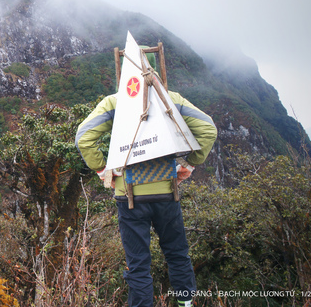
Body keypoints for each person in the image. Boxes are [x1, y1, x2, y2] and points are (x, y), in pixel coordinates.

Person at [75, 62, 217, 307]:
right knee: (177, 254)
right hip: (166, 192)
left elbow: (83, 137)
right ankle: (186, 303)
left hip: (129, 196)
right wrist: (189, 165)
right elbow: (207, 128)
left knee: (139, 263)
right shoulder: (169, 98)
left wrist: (103, 169)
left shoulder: (115, 102)